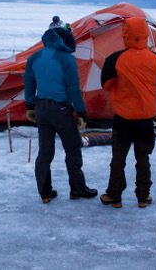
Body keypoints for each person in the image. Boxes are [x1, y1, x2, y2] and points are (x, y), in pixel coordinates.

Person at [99, 17, 156, 208]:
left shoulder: (116, 58)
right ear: (145, 34)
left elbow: (105, 84)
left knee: (118, 159)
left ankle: (114, 195)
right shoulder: (155, 59)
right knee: (143, 158)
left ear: (125, 34)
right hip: (145, 119)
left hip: (123, 118)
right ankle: (143, 196)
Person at [24, 16, 97, 203]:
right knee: (72, 148)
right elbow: (73, 90)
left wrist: (30, 106)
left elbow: (29, 83)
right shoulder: (67, 59)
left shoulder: (35, 57)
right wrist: (81, 112)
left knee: (45, 151)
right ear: (65, 39)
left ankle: (45, 193)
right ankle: (77, 190)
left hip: (41, 109)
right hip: (61, 109)